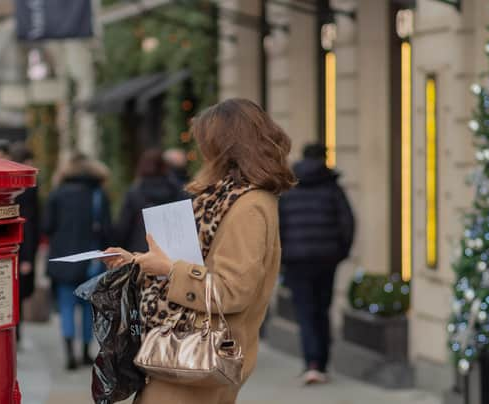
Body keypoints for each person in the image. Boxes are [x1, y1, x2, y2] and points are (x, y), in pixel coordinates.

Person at [103, 98, 296, 404]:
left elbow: (232, 291)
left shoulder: (248, 206)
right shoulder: (222, 196)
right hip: (183, 355)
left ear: (225, 145)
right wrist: (139, 262)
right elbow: (194, 262)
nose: (201, 151)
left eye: (206, 141)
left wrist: (168, 269)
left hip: (201, 358)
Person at [278, 143, 355, 385]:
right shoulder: (333, 188)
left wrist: (282, 257)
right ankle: (320, 362)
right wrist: (340, 252)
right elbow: (348, 223)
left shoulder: (290, 188)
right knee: (322, 308)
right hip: (326, 259)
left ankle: (311, 363)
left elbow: (278, 226)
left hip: (296, 260)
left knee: (305, 311)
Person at [44, 153, 112, 370]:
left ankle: (69, 353)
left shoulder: (57, 194)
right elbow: (108, 229)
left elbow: (46, 226)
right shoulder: (98, 195)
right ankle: (85, 352)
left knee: (66, 305)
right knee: (88, 307)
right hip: (91, 260)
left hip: (63, 259)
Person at [115, 148, 187, 253]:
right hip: (170, 254)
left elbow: (123, 228)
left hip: (140, 253)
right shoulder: (178, 190)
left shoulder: (135, 193)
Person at [9, 143, 40, 344]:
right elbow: (30, 223)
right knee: (16, 291)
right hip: (23, 244)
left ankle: (14, 329)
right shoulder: (27, 190)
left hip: (17, 243)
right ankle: (15, 329)